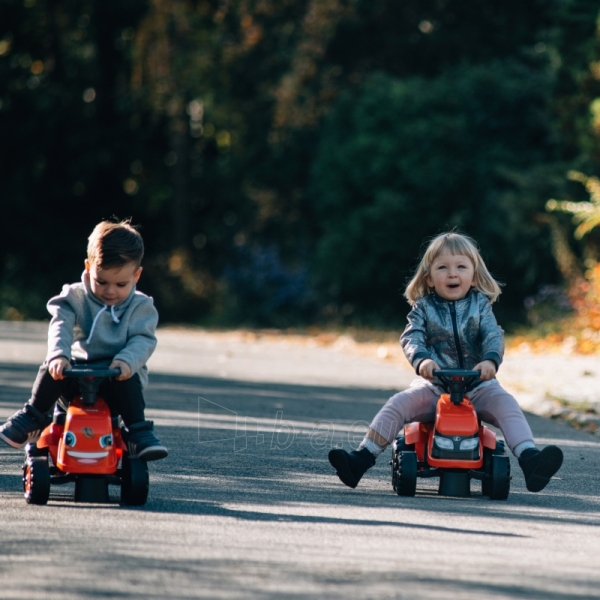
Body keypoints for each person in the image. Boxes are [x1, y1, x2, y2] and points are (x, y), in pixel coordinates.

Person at [328, 231, 563, 493]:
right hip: (435, 386)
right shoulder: (423, 308)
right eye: (443, 267)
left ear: (473, 275)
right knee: (398, 404)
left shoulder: (481, 306)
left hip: (478, 386)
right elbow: (412, 336)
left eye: (461, 267)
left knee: (507, 405)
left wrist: (489, 361)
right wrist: (423, 361)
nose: (452, 274)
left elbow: (493, 335)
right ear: (429, 277)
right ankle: (361, 458)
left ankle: (530, 459)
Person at [0, 219, 168, 461]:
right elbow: (61, 324)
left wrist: (127, 361)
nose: (110, 291)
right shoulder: (75, 297)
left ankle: (138, 432)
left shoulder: (141, 306)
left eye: (121, 284)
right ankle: (34, 416)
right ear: (89, 268)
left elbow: (143, 339)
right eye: (101, 281)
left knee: (129, 379)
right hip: (75, 376)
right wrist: (59, 354)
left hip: (115, 378)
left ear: (137, 276)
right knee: (52, 368)